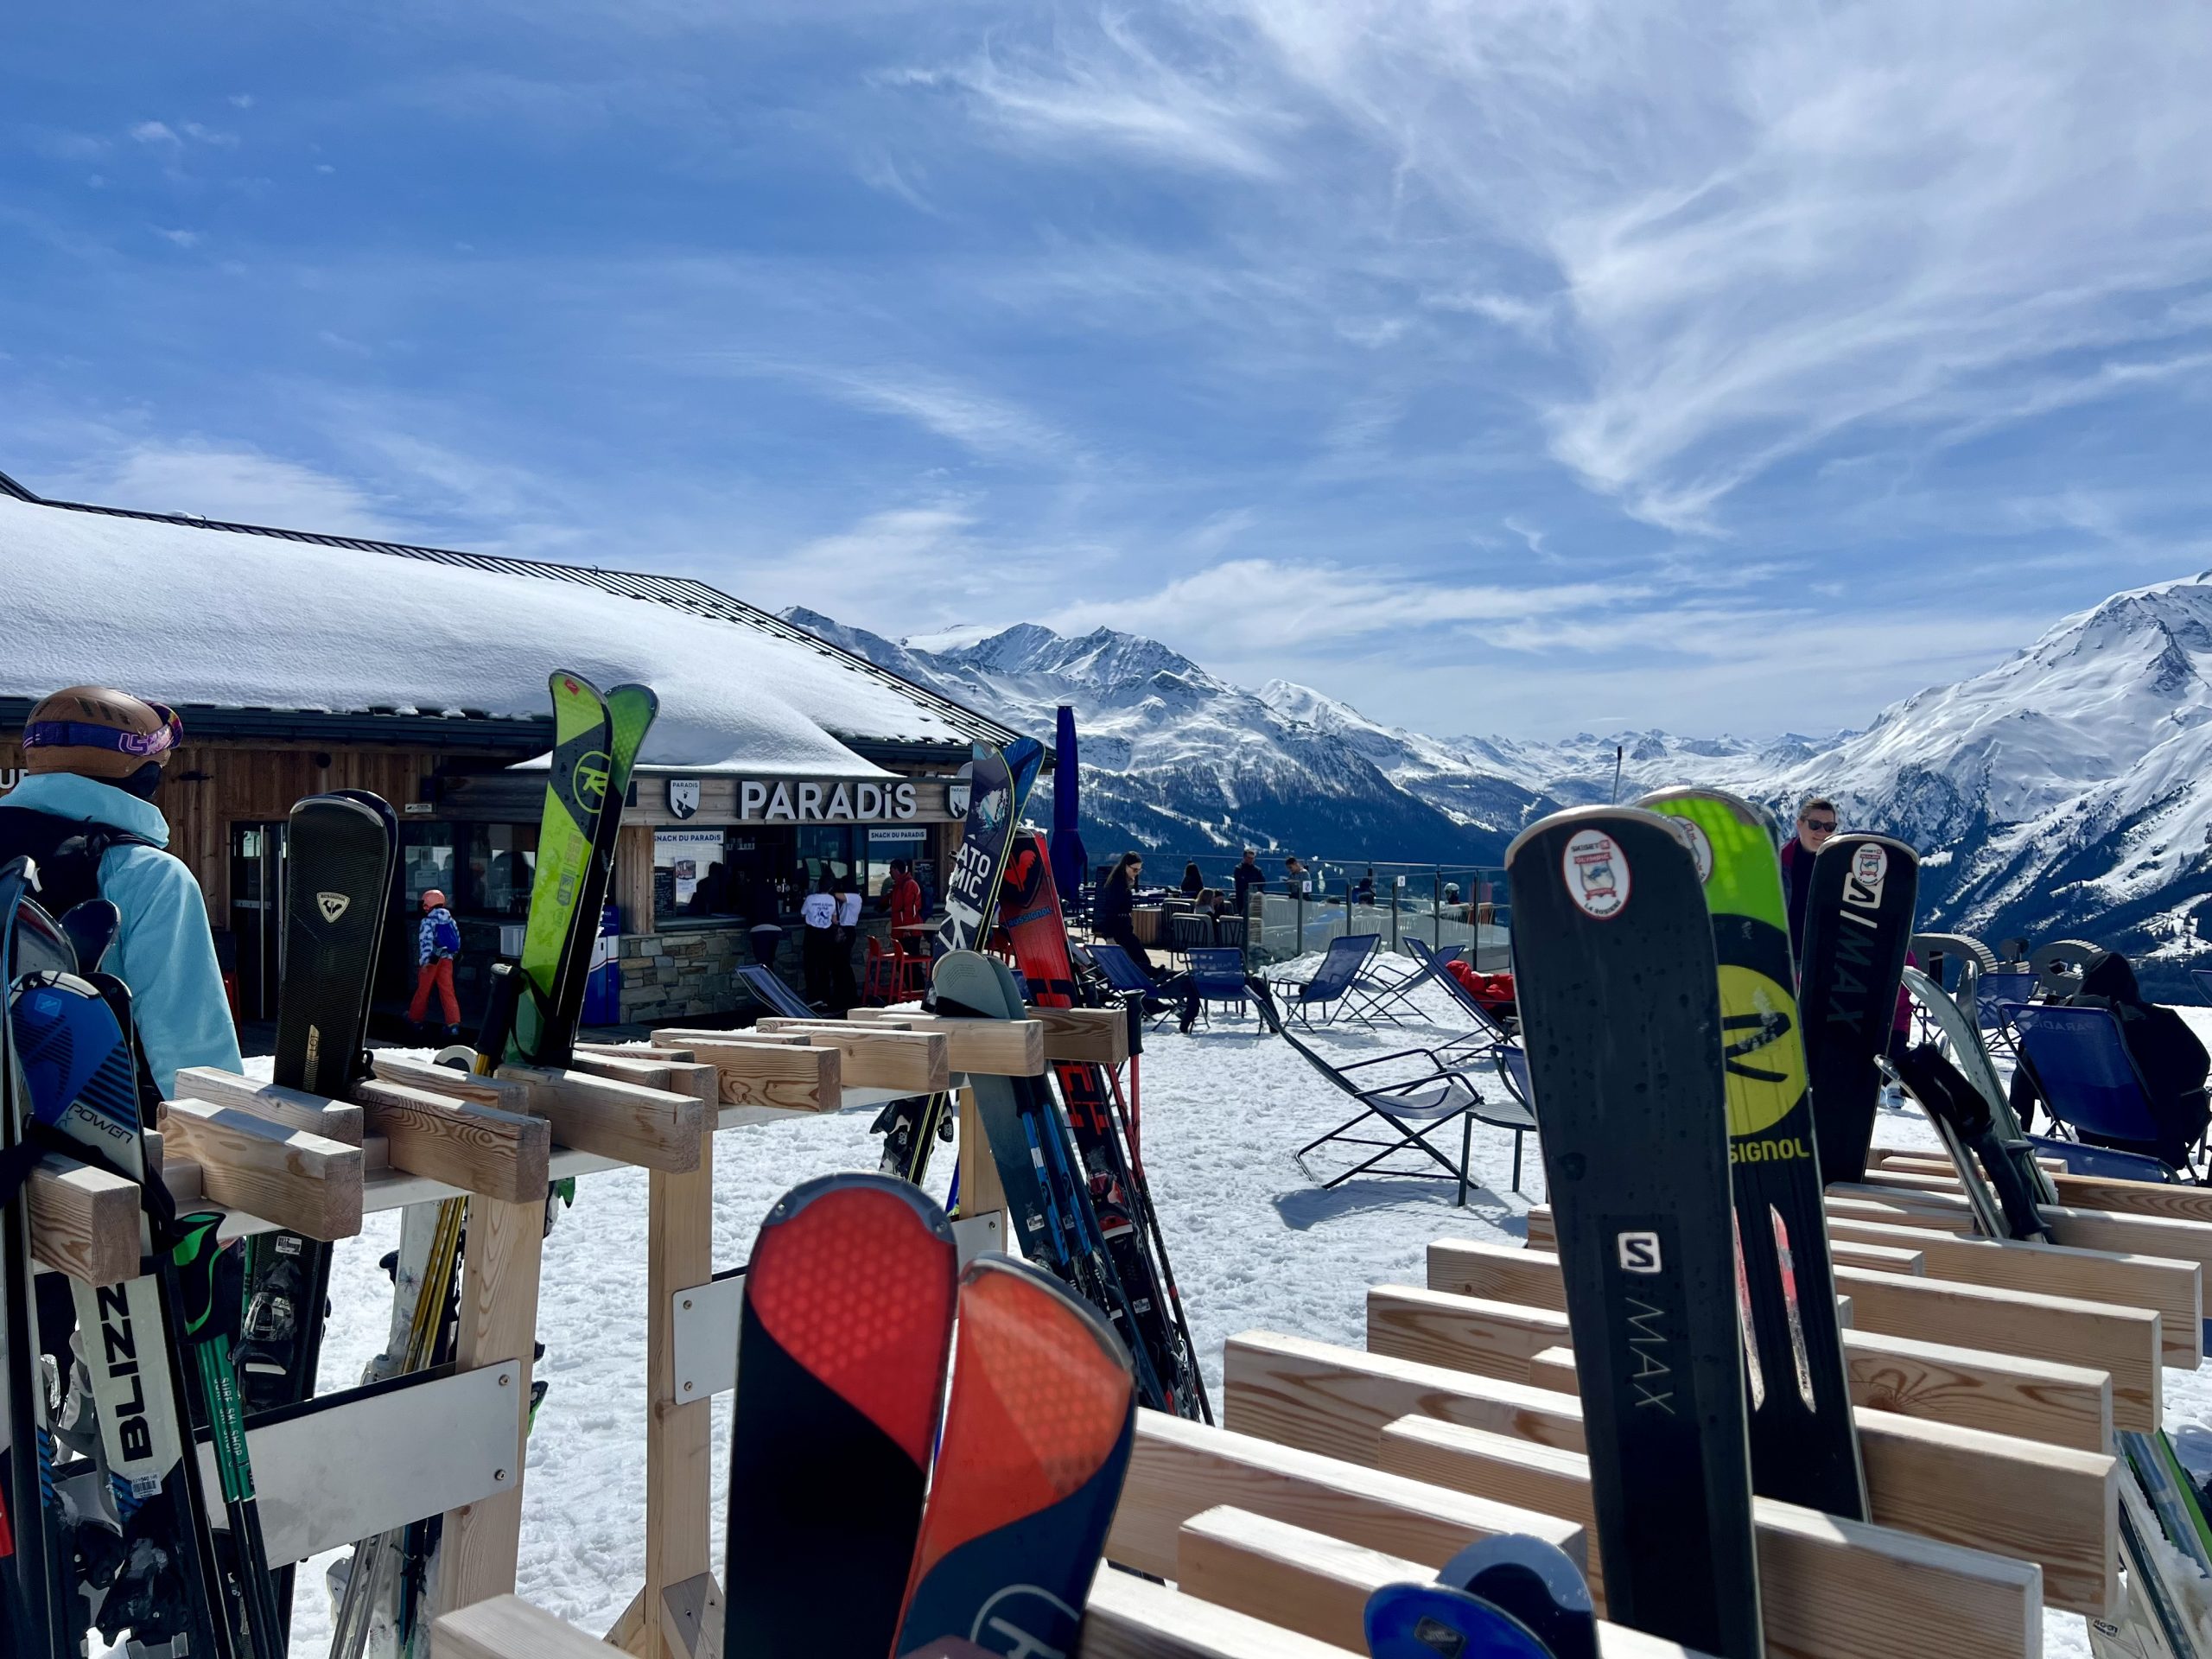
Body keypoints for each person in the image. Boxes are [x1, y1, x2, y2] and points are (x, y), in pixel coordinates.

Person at [0, 685, 240, 1096]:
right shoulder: (147, 873)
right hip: (99, 1129)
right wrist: (231, 1132)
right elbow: (189, 1041)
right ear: (142, 774)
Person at [2011, 949, 2210, 1167]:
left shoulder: (2052, 1021)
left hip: (2084, 1119)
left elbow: (2026, 1074)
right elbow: (2198, 1064)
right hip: (2149, 1128)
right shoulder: (2157, 1022)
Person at [1779, 796, 1839, 951]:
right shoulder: (1776, 865)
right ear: (1799, 824)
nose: (1822, 832)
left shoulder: (1842, 867)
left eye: (1829, 826)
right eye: (1815, 825)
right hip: (1783, 960)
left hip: (1824, 960)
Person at [408, 887, 463, 1039]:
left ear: (429, 905)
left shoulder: (427, 921)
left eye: (425, 904)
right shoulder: (451, 920)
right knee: (448, 991)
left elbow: (425, 943)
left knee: (423, 991)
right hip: (447, 960)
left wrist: (424, 962)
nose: (424, 907)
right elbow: (457, 940)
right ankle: (453, 1024)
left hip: (431, 961)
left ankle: (415, 1019)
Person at [799, 874, 838, 1007]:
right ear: (831, 888)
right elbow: (834, 919)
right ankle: (825, 997)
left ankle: (812, 997)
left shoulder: (810, 899)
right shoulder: (832, 900)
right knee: (824, 967)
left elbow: (802, 913)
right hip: (826, 934)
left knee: (810, 966)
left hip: (812, 933)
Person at [832, 874, 863, 1011]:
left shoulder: (855, 898)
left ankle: (850, 995)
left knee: (844, 964)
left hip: (848, 930)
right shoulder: (847, 900)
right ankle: (841, 994)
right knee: (839, 964)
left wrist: (830, 890)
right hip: (842, 929)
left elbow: (839, 896)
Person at [745, 872, 783, 969]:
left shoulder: (751, 890)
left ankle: (766, 983)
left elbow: (746, 909)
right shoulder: (771, 889)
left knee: (762, 963)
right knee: (768, 961)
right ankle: (771, 982)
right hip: (775, 928)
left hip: (758, 928)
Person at [1232, 849, 1264, 913]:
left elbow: (1262, 883)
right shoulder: (1238, 869)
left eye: (1252, 858)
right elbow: (1240, 884)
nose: (1251, 860)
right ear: (1244, 858)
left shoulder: (1257, 870)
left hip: (1255, 897)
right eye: (1249, 858)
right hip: (1242, 898)